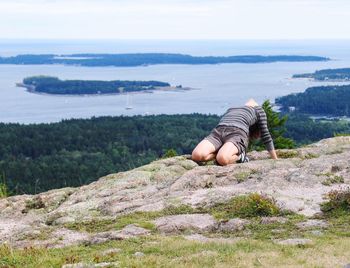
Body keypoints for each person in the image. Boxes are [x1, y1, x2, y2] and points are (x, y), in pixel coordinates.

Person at [191, 99, 278, 166]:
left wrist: (276, 161)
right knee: (196, 156)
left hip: (237, 133)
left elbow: (266, 136)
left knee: (222, 159)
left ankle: (240, 156)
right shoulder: (232, 109)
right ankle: (222, 151)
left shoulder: (259, 110)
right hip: (218, 131)